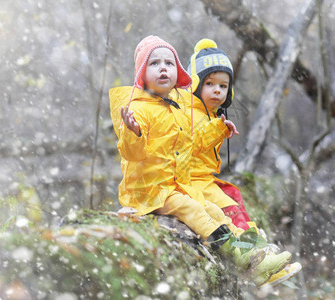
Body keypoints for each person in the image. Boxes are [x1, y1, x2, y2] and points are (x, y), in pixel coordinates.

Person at [109, 35, 291, 286]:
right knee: (193, 209)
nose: (163, 68)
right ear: (141, 72)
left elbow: (192, 144)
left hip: (175, 184)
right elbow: (132, 154)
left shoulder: (178, 106)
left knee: (216, 210)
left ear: (178, 71)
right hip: (149, 190)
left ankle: (253, 260)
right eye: (154, 64)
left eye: (169, 63)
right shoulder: (137, 109)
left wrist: (219, 129)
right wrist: (132, 131)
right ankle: (236, 257)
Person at [186, 38, 302, 286]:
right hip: (189, 182)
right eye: (209, 83)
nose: (217, 90)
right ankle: (251, 260)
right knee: (225, 210)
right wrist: (217, 129)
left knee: (235, 198)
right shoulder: (187, 113)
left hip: (204, 179)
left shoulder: (212, 114)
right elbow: (192, 144)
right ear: (194, 84)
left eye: (223, 85)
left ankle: (262, 257)